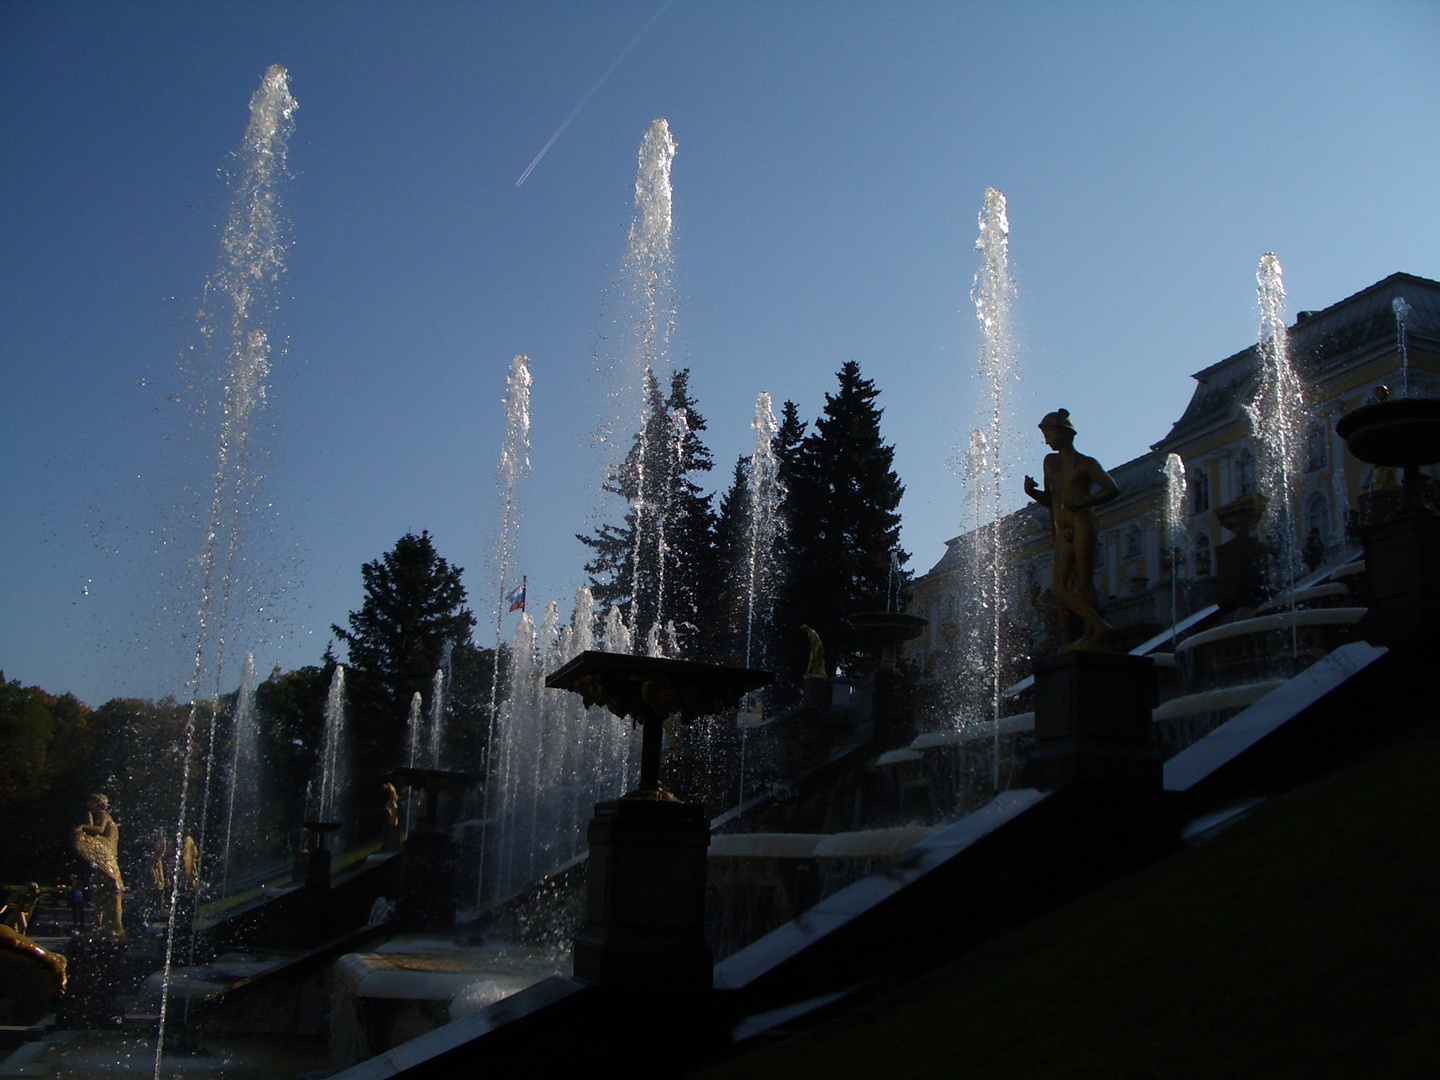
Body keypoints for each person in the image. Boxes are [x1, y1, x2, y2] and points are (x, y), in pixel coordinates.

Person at [1024, 409, 1120, 649]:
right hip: (1063, 526)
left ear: (1064, 434)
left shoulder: (1085, 464)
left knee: (1084, 582)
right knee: (1059, 588)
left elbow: (1111, 489)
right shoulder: (1050, 463)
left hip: (1082, 522)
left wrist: (1084, 502)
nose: (1046, 440)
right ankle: (1099, 626)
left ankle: (1091, 636)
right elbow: (1051, 500)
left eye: (1049, 434)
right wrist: (1031, 492)